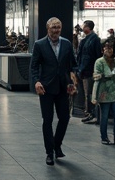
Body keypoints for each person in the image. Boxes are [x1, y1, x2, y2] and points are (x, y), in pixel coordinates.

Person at [29, 17, 78, 165]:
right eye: (53, 27)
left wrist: (72, 81)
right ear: (47, 28)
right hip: (46, 88)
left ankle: (57, 145)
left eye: (58, 27)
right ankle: (49, 152)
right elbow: (34, 66)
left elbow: (73, 65)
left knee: (64, 118)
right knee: (47, 120)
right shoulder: (40, 45)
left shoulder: (67, 44)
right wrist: (37, 81)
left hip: (63, 87)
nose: (56, 30)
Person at [92, 41, 115, 145]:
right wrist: (94, 97)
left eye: (110, 48)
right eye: (106, 48)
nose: (109, 50)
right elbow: (96, 78)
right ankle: (104, 137)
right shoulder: (99, 62)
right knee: (104, 116)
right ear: (103, 50)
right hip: (104, 93)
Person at [77, 20, 102, 123]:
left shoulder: (94, 39)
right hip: (85, 69)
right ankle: (89, 112)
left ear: (88, 27)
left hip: (90, 70)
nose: (82, 27)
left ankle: (92, 113)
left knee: (91, 93)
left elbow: (97, 56)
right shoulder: (86, 40)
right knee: (88, 93)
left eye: (84, 26)